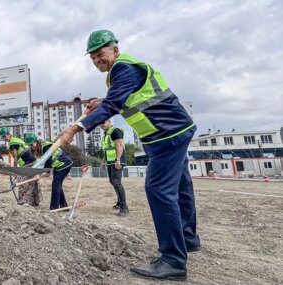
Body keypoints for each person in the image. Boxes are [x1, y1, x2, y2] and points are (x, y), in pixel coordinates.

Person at [57, 29, 200, 280]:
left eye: (100, 53)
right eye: (92, 57)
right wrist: (103, 101)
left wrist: (75, 127)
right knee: (180, 186)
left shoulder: (123, 68)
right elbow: (121, 99)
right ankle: (188, 239)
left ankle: (173, 261)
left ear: (114, 48)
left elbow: (115, 105)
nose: (97, 60)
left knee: (159, 190)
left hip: (165, 134)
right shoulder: (122, 72)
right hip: (174, 129)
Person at [25, 132, 73, 210]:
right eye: (29, 145)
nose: (31, 147)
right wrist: (37, 173)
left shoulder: (45, 146)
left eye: (31, 144)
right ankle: (64, 206)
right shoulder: (39, 147)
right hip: (58, 166)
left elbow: (48, 160)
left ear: (35, 141)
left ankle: (54, 208)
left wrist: (47, 172)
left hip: (64, 163)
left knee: (56, 184)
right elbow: (41, 162)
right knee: (57, 185)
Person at [0, 128, 40, 206]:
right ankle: (34, 202)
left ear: (8, 134)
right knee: (32, 182)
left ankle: (24, 201)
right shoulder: (16, 139)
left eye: (4, 136)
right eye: (2, 137)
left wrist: (14, 170)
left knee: (23, 183)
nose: (4, 138)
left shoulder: (12, 144)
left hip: (27, 163)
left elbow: (15, 157)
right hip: (33, 161)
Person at [100, 120, 129, 216]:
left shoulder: (115, 131)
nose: (101, 125)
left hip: (117, 160)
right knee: (112, 181)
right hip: (110, 161)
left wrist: (118, 160)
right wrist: (103, 161)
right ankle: (119, 202)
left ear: (108, 121)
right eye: (99, 124)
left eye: (103, 123)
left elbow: (119, 145)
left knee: (116, 182)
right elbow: (107, 148)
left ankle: (124, 208)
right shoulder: (106, 134)